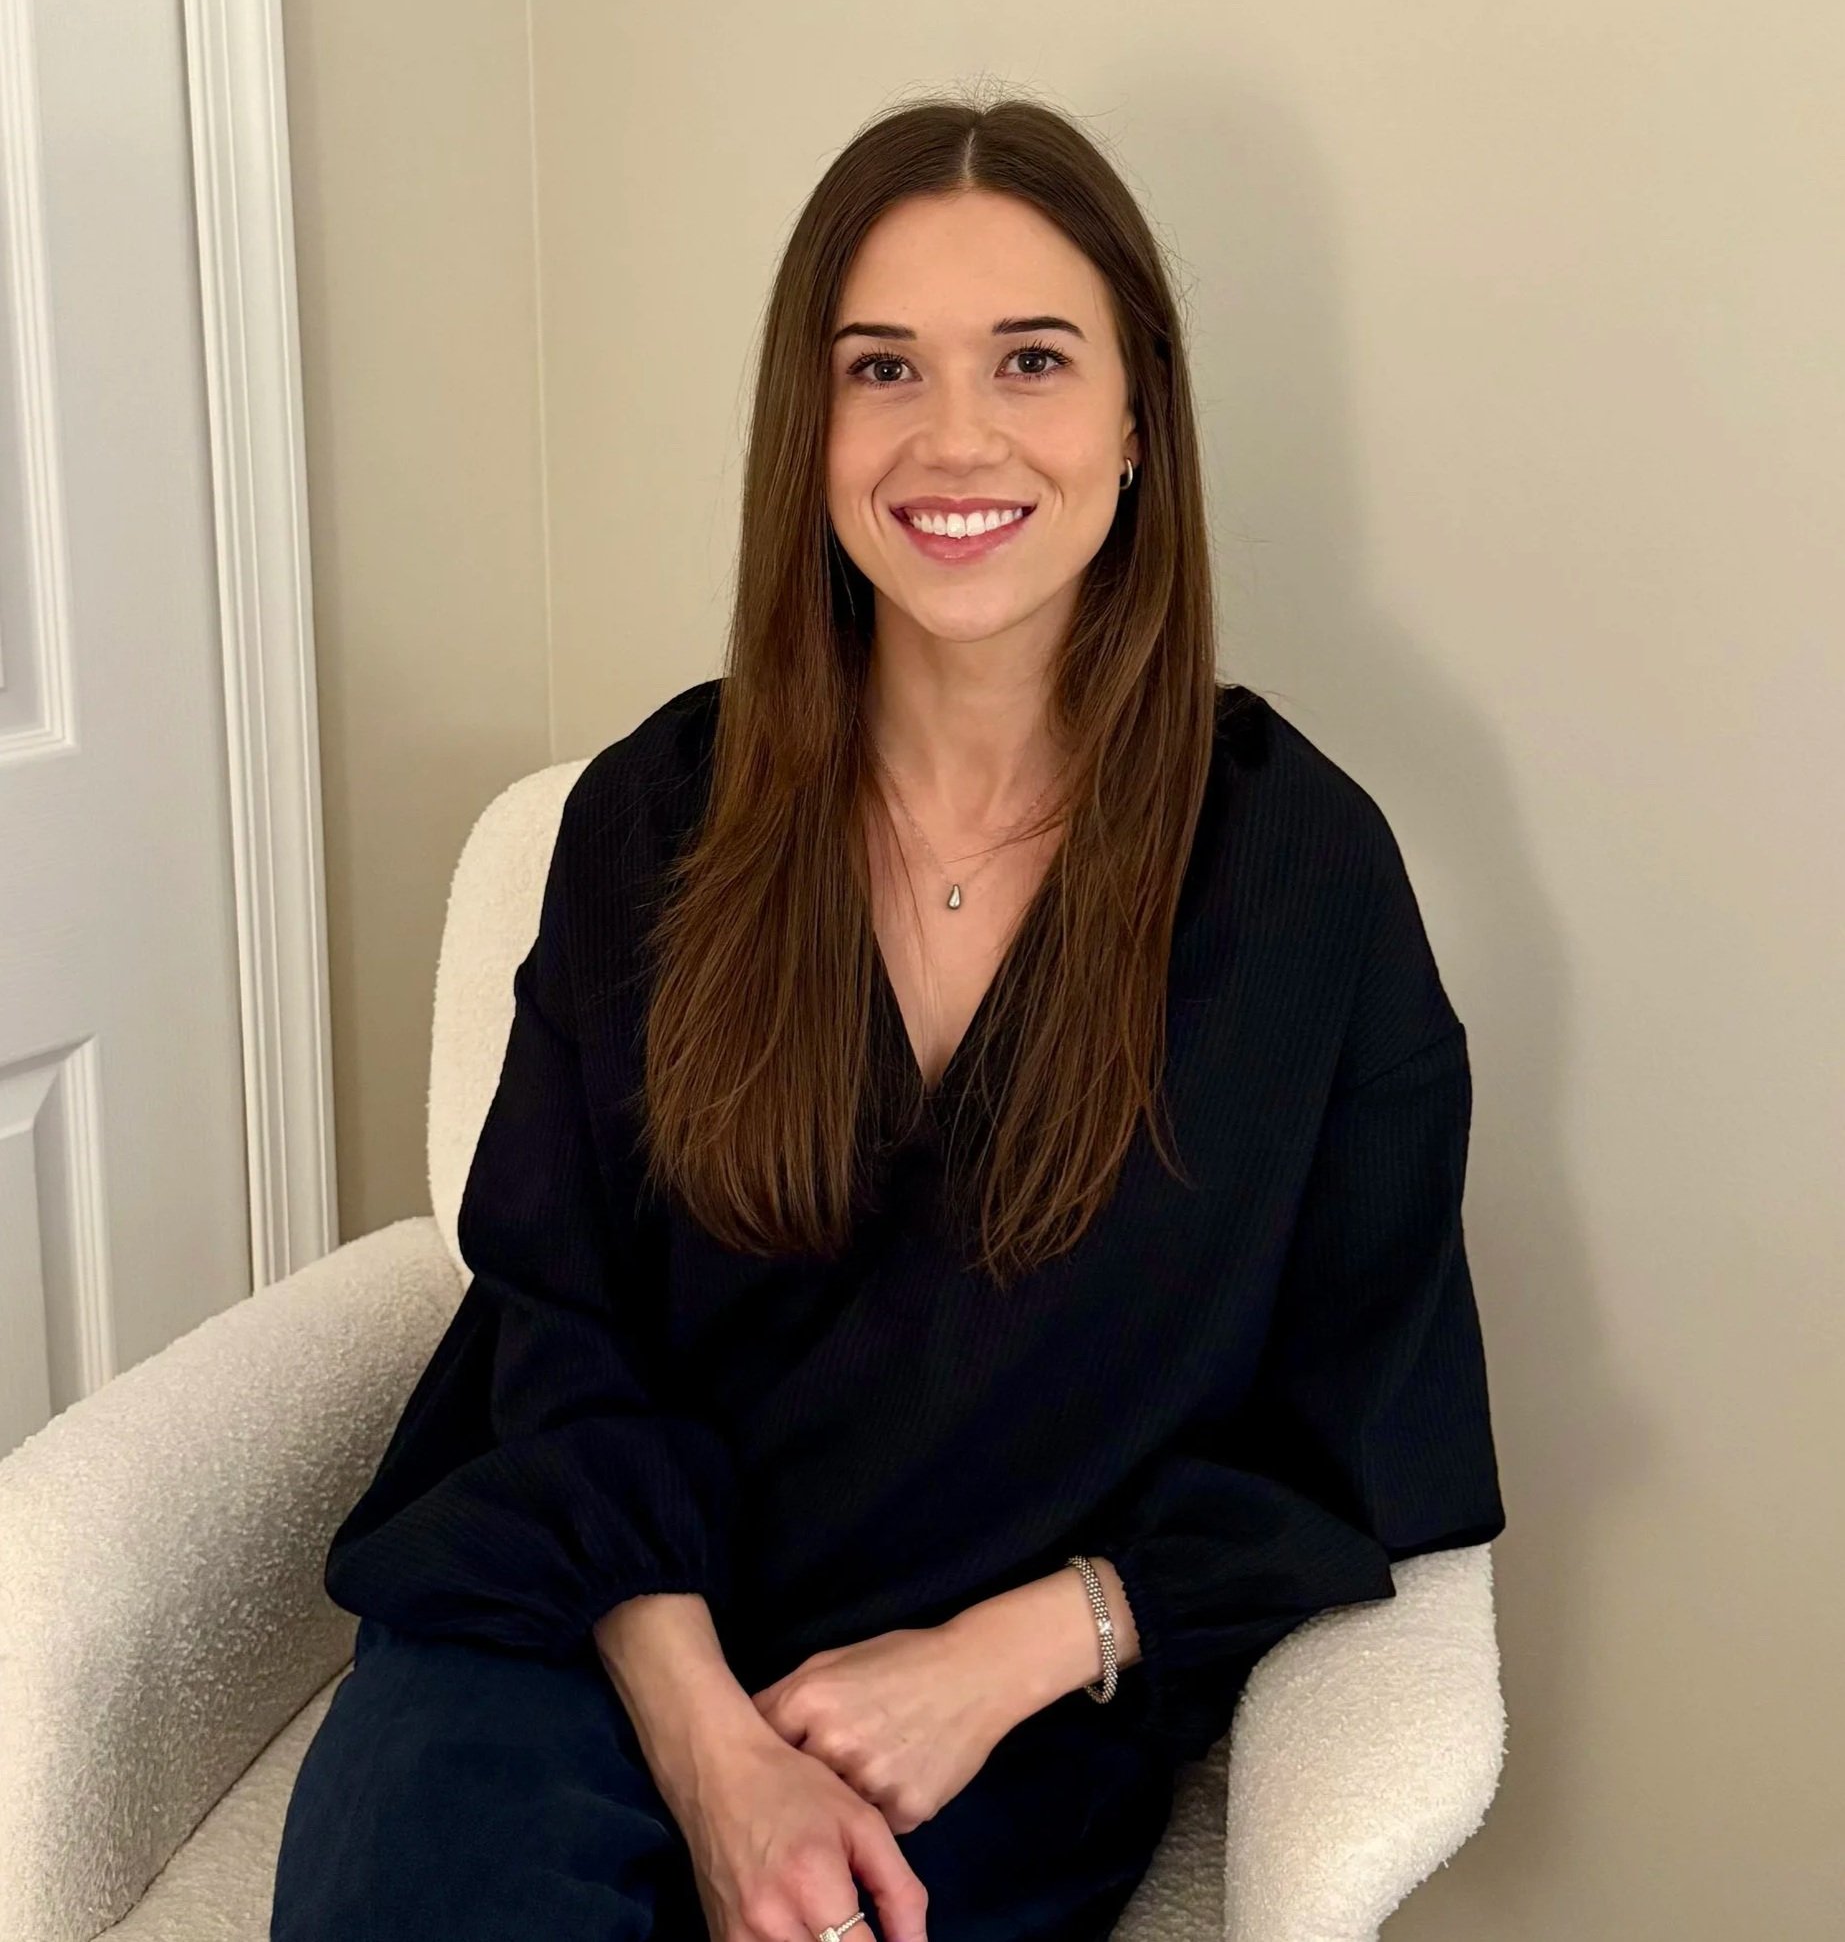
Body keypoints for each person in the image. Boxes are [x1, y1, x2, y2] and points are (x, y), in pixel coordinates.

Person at [270, 94, 1505, 1942]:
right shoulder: (653, 820)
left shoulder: (1299, 879)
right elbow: (558, 1326)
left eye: (1030, 359)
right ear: (811, 426)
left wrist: (1012, 1656)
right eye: (881, 369)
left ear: (1135, 418)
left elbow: (1355, 1428)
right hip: (582, 1639)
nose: (955, 435)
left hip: (980, 1725)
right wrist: (705, 1746)